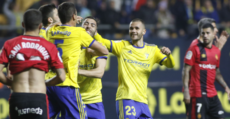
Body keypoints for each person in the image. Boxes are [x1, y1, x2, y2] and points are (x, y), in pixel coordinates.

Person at [93, 18, 175, 119]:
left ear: (144, 31)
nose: (134, 31)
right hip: (126, 98)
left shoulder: (152, 50)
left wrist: (169, 55)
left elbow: (171, 65)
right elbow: (102, 41)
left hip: (143, 102)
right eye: (131, 28)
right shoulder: (122, 46)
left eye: (137, 28)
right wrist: (94, 31)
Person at [46, 2, 109, 119]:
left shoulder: (51, 30)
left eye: (92, 25)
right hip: (67, 85)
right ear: (75, 17)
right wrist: (93, 52)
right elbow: (105, 51)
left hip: (51, 82)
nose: (88, 26)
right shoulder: (79, 34)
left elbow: (99, 72)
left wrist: (63, 19)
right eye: (86, 23)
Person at [0, 9, 65, 119]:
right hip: (39, 98)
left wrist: (9, 81)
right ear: (40, 26)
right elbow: (62, 77)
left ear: (23, 24)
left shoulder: (10, 44)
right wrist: (45, 83)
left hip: (18, 97)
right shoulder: (49, 47)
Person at [182, 23, 230, 119]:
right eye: (203, 33)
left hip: (213, 95)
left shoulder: (216, 51)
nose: (205, 35)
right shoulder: (194, 48)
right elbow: (186, 70)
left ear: (213, 34)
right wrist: (186, 90)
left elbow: (216, 72)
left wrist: (226, 88)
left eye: (208, 33)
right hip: (198, 94)